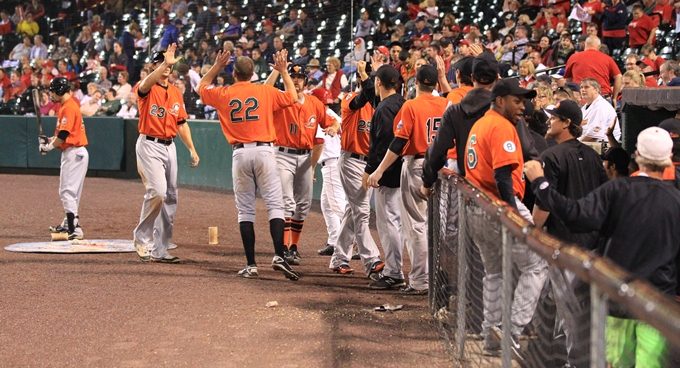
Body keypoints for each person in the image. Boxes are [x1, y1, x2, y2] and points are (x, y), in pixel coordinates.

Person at [524, 127, 680, 368]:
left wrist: (541, 184)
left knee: (617, 364)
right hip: (658, 306)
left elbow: (574, 216)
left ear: (637, 156)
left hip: (619, 299)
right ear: (668, 160)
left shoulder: (618, 190)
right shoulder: (675, 199)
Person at [197, 49, 301, 280]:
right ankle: (278, 255)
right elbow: (293, 96)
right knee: (275, 206)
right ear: (253, 73)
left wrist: (216, 66)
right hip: (265, 151)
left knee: (245, 210)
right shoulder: (265, 90)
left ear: (233, 74)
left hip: (240, 153)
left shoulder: (224, 92)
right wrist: (283, 71)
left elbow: (200, 88)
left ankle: (251, 264)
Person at [464, 78, 548, 359]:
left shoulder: (480, 124)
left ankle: (491, 336)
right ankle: (509, 332)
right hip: (499, 206)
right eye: (517, 100)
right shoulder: (501, 126)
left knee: (495, 272)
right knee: (537, 264)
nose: (522, 107)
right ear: (499, 100)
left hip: (476, 207)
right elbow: (502, 175)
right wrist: (512, 213)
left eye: (523, 101)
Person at [367, 65, 448, 294]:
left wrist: (380, 170)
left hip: (418, 165)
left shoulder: (411, 105)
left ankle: (421, 280)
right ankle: (439, 276)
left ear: (417, 83)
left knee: (416, 226)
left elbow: (399, 141)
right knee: (438, 226)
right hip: (444, 167)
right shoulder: (445, 103)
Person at [264, 64, 340, 265]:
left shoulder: (314, 103)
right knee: (287, 201)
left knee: (303, 203)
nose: (296, 80)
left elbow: (333, 122)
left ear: (305, 81)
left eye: (299, 77)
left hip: (305, 157)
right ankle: (284, 248)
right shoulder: (280, 99)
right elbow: (264, 90)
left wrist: (332, 128)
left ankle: (294, 247)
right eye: (293, 76)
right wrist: (278, 71)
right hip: (282, 155)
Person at [133, 45, 200, 263]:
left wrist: (191, 148)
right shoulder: (146, 88)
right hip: (149, 144)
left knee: (170, 198)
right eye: (162, 63)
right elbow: (144, 85)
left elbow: (181, 123)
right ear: (153, 66)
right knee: (158, 193)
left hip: (169, 145)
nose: (167, 68)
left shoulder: (175, 92)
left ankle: (160, 250)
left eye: (169, 65)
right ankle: (142, 239)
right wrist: (165, 62)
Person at [326, 67, 384, 277]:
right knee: (362, 212)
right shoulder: (351, 97)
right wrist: (368, 80)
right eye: (371, 80)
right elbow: (359, 101)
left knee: (353, 211)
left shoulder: (380, 106)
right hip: (351, 160)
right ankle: (372, 260)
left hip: (369, 164)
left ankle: (339, 258)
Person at [358, 59, 404, 290]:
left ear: (379, 82)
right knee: (397, 223)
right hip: (402, 172)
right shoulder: (400, 102)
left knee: (389, 225)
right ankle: (397, 270)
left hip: (389, 174)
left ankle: (394, 272)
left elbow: (384, 144)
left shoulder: (385, 109)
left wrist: (371, 171)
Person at [41, 77, 89, 241]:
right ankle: (68, 224)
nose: (51, 94)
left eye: (53, 91)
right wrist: (48, 141)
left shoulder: (68, 107)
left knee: (67, 192)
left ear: (59, 91)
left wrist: (49, 147)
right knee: (72, 193)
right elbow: (62, 135)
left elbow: (63, 135)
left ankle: (75, 229)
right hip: (76, 151)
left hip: (73, 152)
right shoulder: (69, 105)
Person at [308, 88, 346, 259]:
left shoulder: (319, 116)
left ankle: (360, 240)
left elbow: (319, 144)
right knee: (327, 204)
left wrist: (311, 167)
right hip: (339, 161)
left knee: (338, 206)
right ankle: (334, 241)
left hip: (332, 164)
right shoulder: (333, 115)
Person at [564, 36, 622, 103]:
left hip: (582, 98)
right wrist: (614, 98)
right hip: (603, 98)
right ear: (599, 47)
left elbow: (568, 80)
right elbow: (619, 77)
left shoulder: (574, 57)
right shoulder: (607, 59)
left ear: (585, 44)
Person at [580, 78, 619, 142]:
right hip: (590, 143)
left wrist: (575, 146)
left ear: (596, 90)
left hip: (604, 145)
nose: (583, 90)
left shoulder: (601, 106)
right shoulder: (586, 107)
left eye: (587, 87)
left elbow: (593, 136)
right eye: (581, 87)